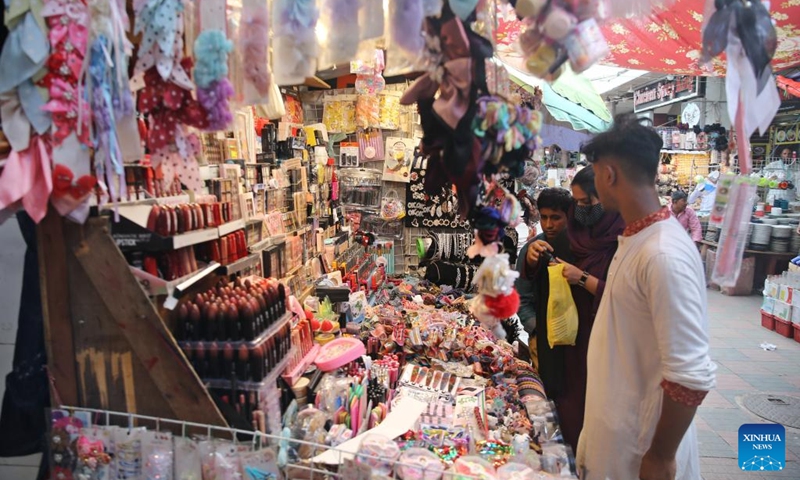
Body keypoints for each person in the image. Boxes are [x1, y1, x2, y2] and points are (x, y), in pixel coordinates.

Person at [576, 115, 716, 480]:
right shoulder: (637, 239)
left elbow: (691, 375)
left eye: (594, 173)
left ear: (608, 175)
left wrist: (660, 455)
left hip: (638, 456)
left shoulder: (663, 253)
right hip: (615, 442)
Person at [531, 166, 625, 452]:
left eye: (587, 203)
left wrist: (583, 279)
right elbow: (536, 277)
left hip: (602, 338)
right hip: (566, 337)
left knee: (595, 408)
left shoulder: (624, 237)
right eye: (577, 203)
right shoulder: (573, 230)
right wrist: (535, 254)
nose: (580, 210)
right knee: (567, 405)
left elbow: (626, 296)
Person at [515, 188, 573, 369]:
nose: (548, 224)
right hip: (542, 339)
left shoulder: (579, 248)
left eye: (555, 218)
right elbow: (521, 297)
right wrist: (536, 331)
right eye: (544, 217)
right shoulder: (532, 249)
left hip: (575, 339)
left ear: (568, 216)